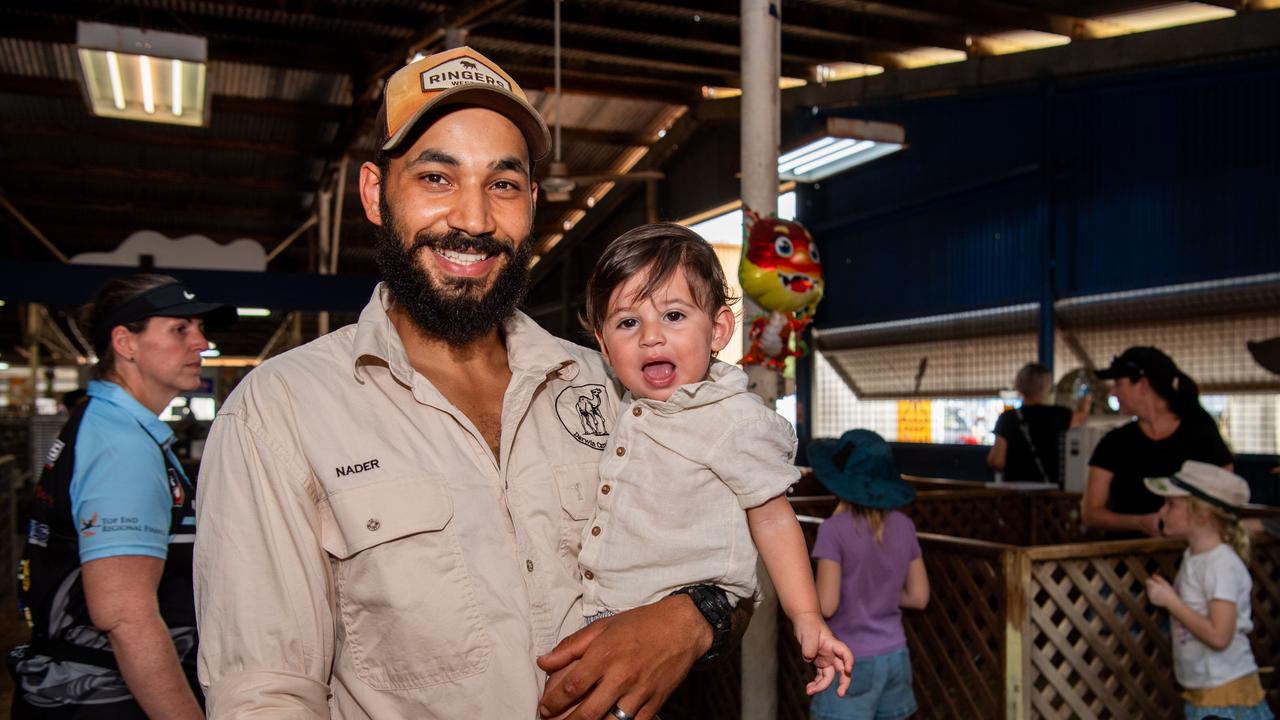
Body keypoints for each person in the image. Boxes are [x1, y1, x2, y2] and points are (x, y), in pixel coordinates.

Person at [193, 47, 735, 720]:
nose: (474, 220)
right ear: (373, 193)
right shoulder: (279, 413)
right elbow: (264, 694)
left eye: (503, 184)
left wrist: (692, 619)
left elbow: (728, 525)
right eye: (436, 177)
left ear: (533, 202)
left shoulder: (612, 383)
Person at [576, 223, 853, 699]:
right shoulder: (627, 404)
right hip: (599, 614)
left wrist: (806, 616)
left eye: (675, 315)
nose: (651, 337)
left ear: (719, 330)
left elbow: (772, 520)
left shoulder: (734, 420)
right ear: (604, 346)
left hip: (675, 632)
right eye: (627, 323)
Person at [9, 273, 234, 718]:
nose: (201, 344)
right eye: (180, 330)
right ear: (125, 343)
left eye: (200, 330)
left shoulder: (111, 426)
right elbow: (125, 618)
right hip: (105, 698)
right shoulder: (121, 447)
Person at [807, 429, 929, 720]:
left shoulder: (833, 530)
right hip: (895, 656)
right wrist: (880, 591)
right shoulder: (904, 526)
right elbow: (919, 597)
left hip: (849, 658)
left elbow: (827, 604)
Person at [1144, 461, 1274, 720]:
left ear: (1202, 515)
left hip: (1224, 690)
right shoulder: (1195, 557)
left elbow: (1219, 636)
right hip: (1205, 686)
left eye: (1172, 505)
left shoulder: (1221, 564)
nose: (1162, 511)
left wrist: (1171, 601)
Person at [1083, 347, 1233, 538]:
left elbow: (1225, 498)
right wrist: (1139, 522)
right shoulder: (1114, 442)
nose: (1113, 392)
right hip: (1124, 560)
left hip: (1188, 553)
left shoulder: (1201, 433)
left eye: (1119, 383)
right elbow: (1091, 514)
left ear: (1143, 385)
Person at [988, 362, 1090, 485]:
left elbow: (997, 461)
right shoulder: (1058, 414)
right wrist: (1087, 399)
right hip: (1048, 492)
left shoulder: (1007, 418)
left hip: (1014, 492)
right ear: (1046, 387)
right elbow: (1082, 416)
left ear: (1019, 385)